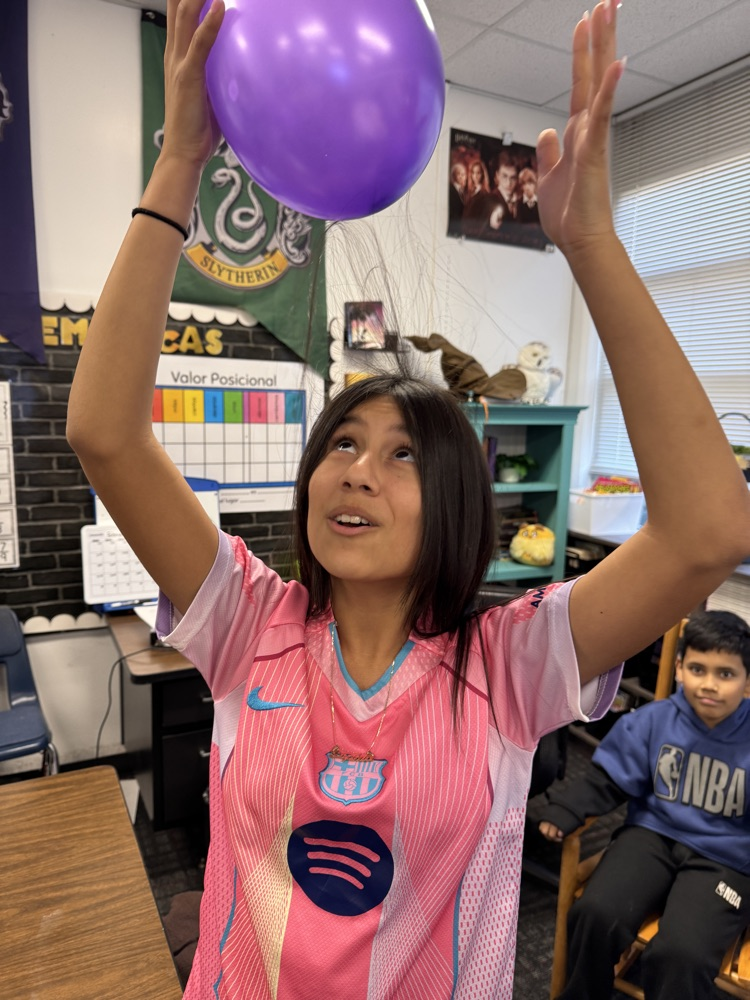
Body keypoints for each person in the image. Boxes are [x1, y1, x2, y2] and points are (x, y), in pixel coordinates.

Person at [66, 1, 750, 996]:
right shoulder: (246, 620)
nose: (354, 469)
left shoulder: (509, 667)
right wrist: (178, 161)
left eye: (401, 457)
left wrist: (592, 243)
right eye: (341, 443)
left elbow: (707, 530)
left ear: (459, 508)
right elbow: (107, 435)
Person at [539, 610, 750, 999]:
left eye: (726, 674)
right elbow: (610, 776)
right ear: (680, 669)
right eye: (698, 669)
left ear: (746, 679)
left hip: (725, 858)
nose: (709, 685)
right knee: (595, 913)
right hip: (651, 836)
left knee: (681, 953)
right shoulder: (654, 720)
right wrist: (568, 810)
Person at [490, 149, 519, 220]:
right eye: (504, 176)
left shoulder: (519, 202)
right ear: (497, 175)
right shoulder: (490, 201)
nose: (509, 183)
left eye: (513, 178)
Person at [448, 160, 467, 233]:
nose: (462, 177)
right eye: (459, 174)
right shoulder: (451, 189)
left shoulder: (463, 191)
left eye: (464, 174)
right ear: (453, 176)